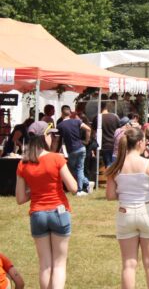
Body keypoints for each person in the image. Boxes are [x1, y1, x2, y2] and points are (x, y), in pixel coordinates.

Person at [15, 121, 78, 289]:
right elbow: (73, 187)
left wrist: (36, 189)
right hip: (59, 212)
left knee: (45, 264)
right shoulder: (56, 158)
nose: (53, 138)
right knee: (59, 264)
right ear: (45, 136)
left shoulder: (23, 163)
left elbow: (20, 198)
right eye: (51, 135)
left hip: (37, 214)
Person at [105, 127, 149, 289]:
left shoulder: (116, 166)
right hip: (148, 212)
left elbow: (110, 195)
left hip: (125, 212)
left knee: (128, 264)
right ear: (140, 143)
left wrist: (126, 193)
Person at [56, 105, 91, 196]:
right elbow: (88, 129)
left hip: (71, 149)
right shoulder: (77, 121)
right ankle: (86, 183)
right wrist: (86, 141)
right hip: (81, 147)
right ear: (70, 113)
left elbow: (58, 140)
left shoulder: (60, 126)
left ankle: (80, 189)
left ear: (61, 114)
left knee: (71, 169)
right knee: (79, 169)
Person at [99, 103, 120, 167]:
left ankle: (110, 176)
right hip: (114, 143)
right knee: (114, 163)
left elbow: (94, 132)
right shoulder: (115, 117)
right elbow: (119, 129)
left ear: (100, 108)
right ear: (107, 108)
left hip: (104, 144)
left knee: (108, 163)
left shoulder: (98, 117)